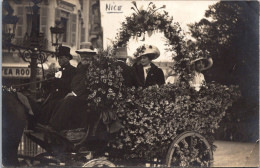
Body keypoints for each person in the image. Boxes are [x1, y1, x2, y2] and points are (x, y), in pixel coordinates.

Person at [49, 44, 97, 131]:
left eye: (87, 55)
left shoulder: (92, 69)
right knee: (59, 101)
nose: (85, 57)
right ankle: (55, 125)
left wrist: (74, 93)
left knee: (69, 100)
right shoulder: (80, 68)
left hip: (86, 97)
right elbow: (73, 82)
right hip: (77, 95)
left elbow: (85, 83)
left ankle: (55, 126)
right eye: (83, 55)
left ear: (91, 56)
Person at [37, 46, 76, 124]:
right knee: (41, 107)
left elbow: (69, 85)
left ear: (67, 58)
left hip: (64, 98)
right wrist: (47, 82)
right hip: (54, 97)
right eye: (58, 58)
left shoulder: (73, 70)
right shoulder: (59, 71)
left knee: (51, 107)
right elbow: (54, 86)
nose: (59, 60)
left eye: (61, 58)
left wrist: (56, 80)